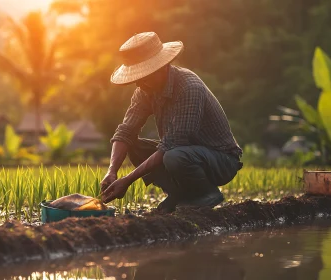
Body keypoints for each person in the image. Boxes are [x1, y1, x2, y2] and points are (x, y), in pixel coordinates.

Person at [100, 32, 243, 213]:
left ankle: (205, 193)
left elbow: (172, 144)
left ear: (162, 67)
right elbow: (126, 131)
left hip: (221, 160)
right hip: (182, 152)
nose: (139, 84)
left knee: (174, 156)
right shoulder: (145, 90)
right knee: (133, 146)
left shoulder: (189, 87)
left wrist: (127, 180)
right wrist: (112, 171)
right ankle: (178, 194)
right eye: (137, 78)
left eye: (145, 76)